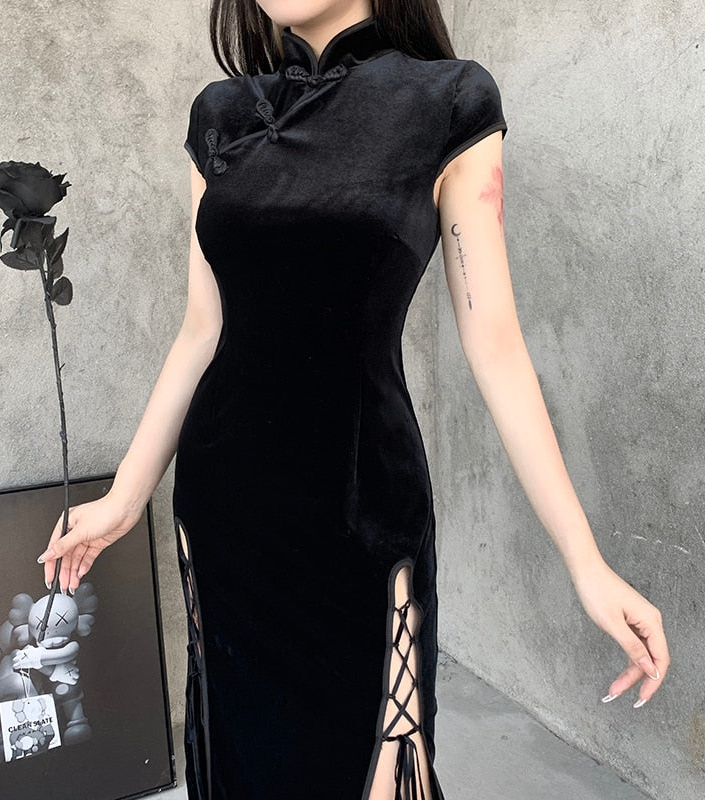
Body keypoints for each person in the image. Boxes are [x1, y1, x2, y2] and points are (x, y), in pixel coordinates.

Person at [37, 1, 670, 798]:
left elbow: (496, 345)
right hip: (227, 509)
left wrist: (586, 562)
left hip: (359, 513)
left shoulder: (451, 103)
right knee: (242, 756)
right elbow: (202, 330)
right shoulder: (220, 116)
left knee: (367, 756)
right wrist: (125, 498)